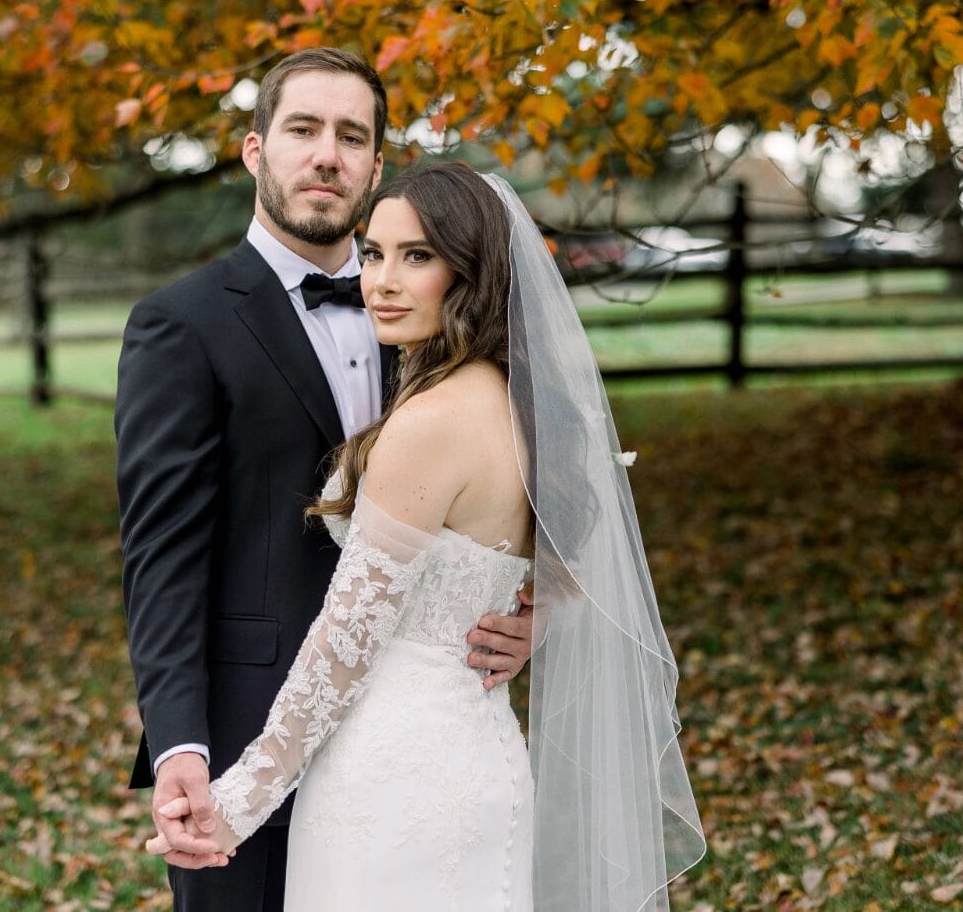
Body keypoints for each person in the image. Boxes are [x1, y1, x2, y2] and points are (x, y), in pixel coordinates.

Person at [145, 162, 706, 909]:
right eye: (373, 253)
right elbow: (571, 563)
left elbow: (345, 644)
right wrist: (548, 616)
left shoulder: (429, 424)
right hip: (482, 756)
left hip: (391, 777)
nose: (380, 280)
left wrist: (236, 805)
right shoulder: (525, 409)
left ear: (470, 273)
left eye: (418, 257)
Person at [114, 49, 536, 912]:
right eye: (302, 129)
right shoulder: (179, 326)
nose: (326, 155)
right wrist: (181, 745)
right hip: (245, 731)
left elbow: (556, 507)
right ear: (254, 149)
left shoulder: (434, 330)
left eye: (352, 136)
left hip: (408, 744)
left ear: (379, 165)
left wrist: (537, 613)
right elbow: (161, 560)